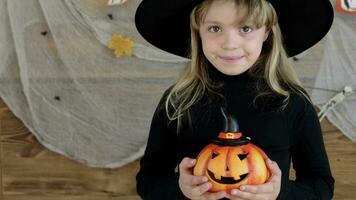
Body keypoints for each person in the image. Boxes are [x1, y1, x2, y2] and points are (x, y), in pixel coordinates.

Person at [134, 0, 335, 199]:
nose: (229, 44)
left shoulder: (292, 102)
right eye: (214, 28)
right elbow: (147, 182)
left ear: (267, 31)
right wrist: (179, 189)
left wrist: (281, 192)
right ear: (197, 31)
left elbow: (321, 186)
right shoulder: (177, 101)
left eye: (246, 28)